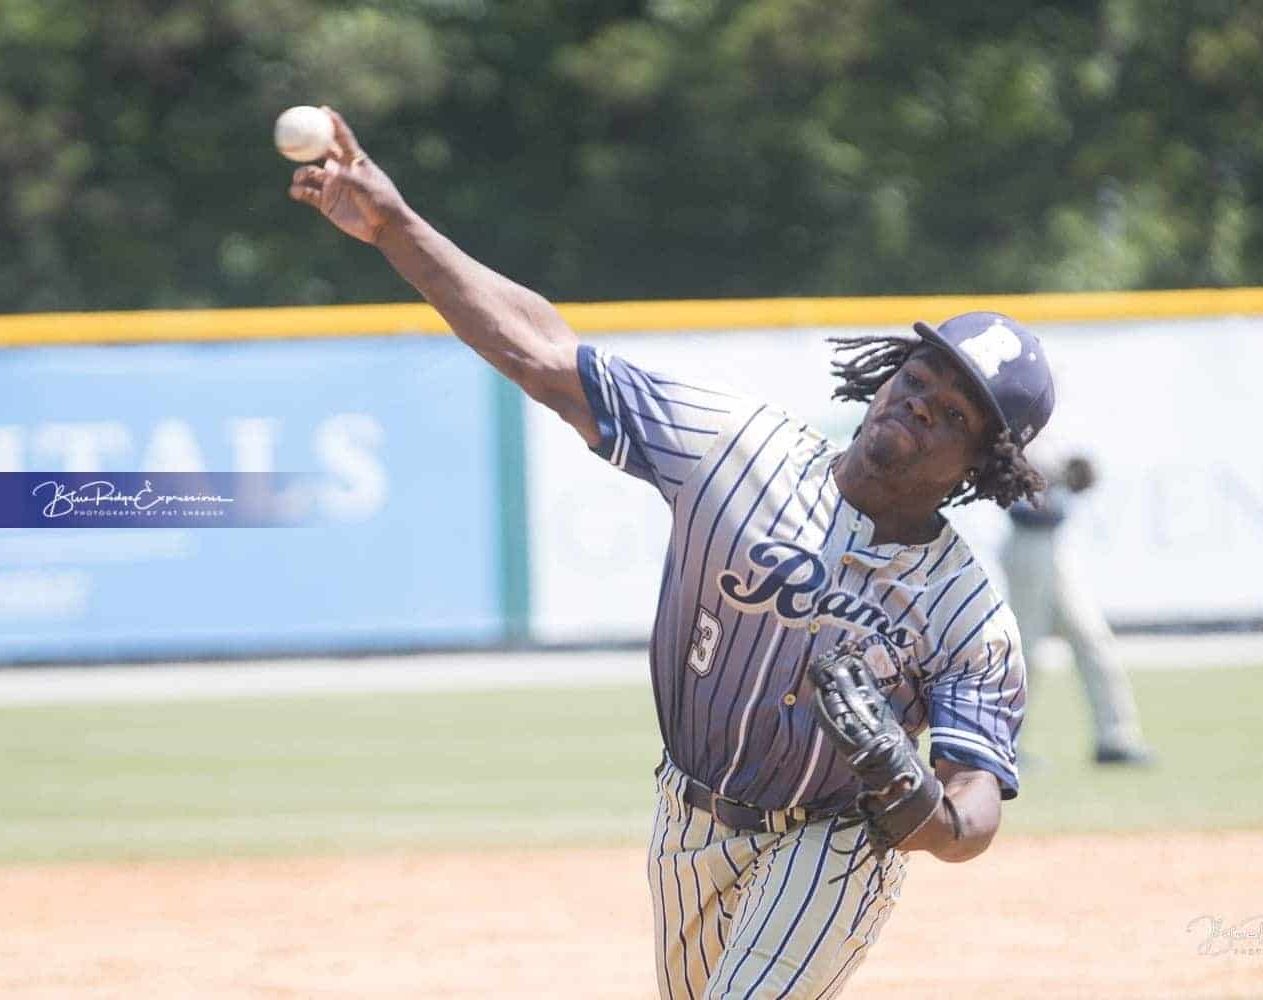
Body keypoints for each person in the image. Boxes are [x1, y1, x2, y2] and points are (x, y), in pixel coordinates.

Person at [288, 108, 1055, 998]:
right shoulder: (734, 446)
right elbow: (542, 351)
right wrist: (394, 226)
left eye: (953, 415)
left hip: (837, 839)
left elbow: (972, 816)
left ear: (981, 465)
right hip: (686, 816)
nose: (920, 404)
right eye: (917, 379)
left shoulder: (966, 614)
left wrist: (913, 795)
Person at [1002, 455, 1152, 765]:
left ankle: (1115, 739)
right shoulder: (1018, 412)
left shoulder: (1062, 418)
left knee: (1092, 638)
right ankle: (1001, 744)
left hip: (1056, 542)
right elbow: (1015, 468)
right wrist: (1058, 472)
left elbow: (1080, 473)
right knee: (1024, 648)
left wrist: (1075, 476)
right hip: (1027, 539)